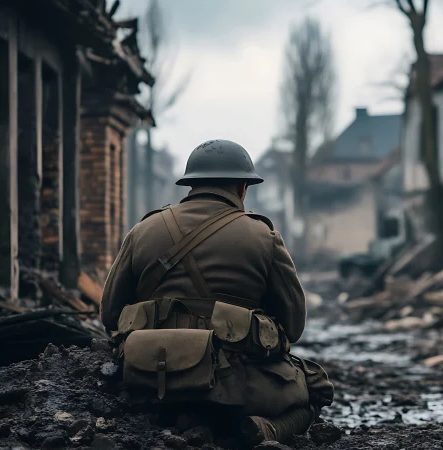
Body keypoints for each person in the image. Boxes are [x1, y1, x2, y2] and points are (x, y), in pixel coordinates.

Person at [100, 139, 331, 445]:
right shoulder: (263, 236)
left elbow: (110, 315)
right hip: (234, 390)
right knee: (317, 387)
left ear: (191, 185)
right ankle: (265, 430)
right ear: (242, 188)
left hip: (148, 380)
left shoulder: (142, 231)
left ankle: (166, 418)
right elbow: (293, 325)